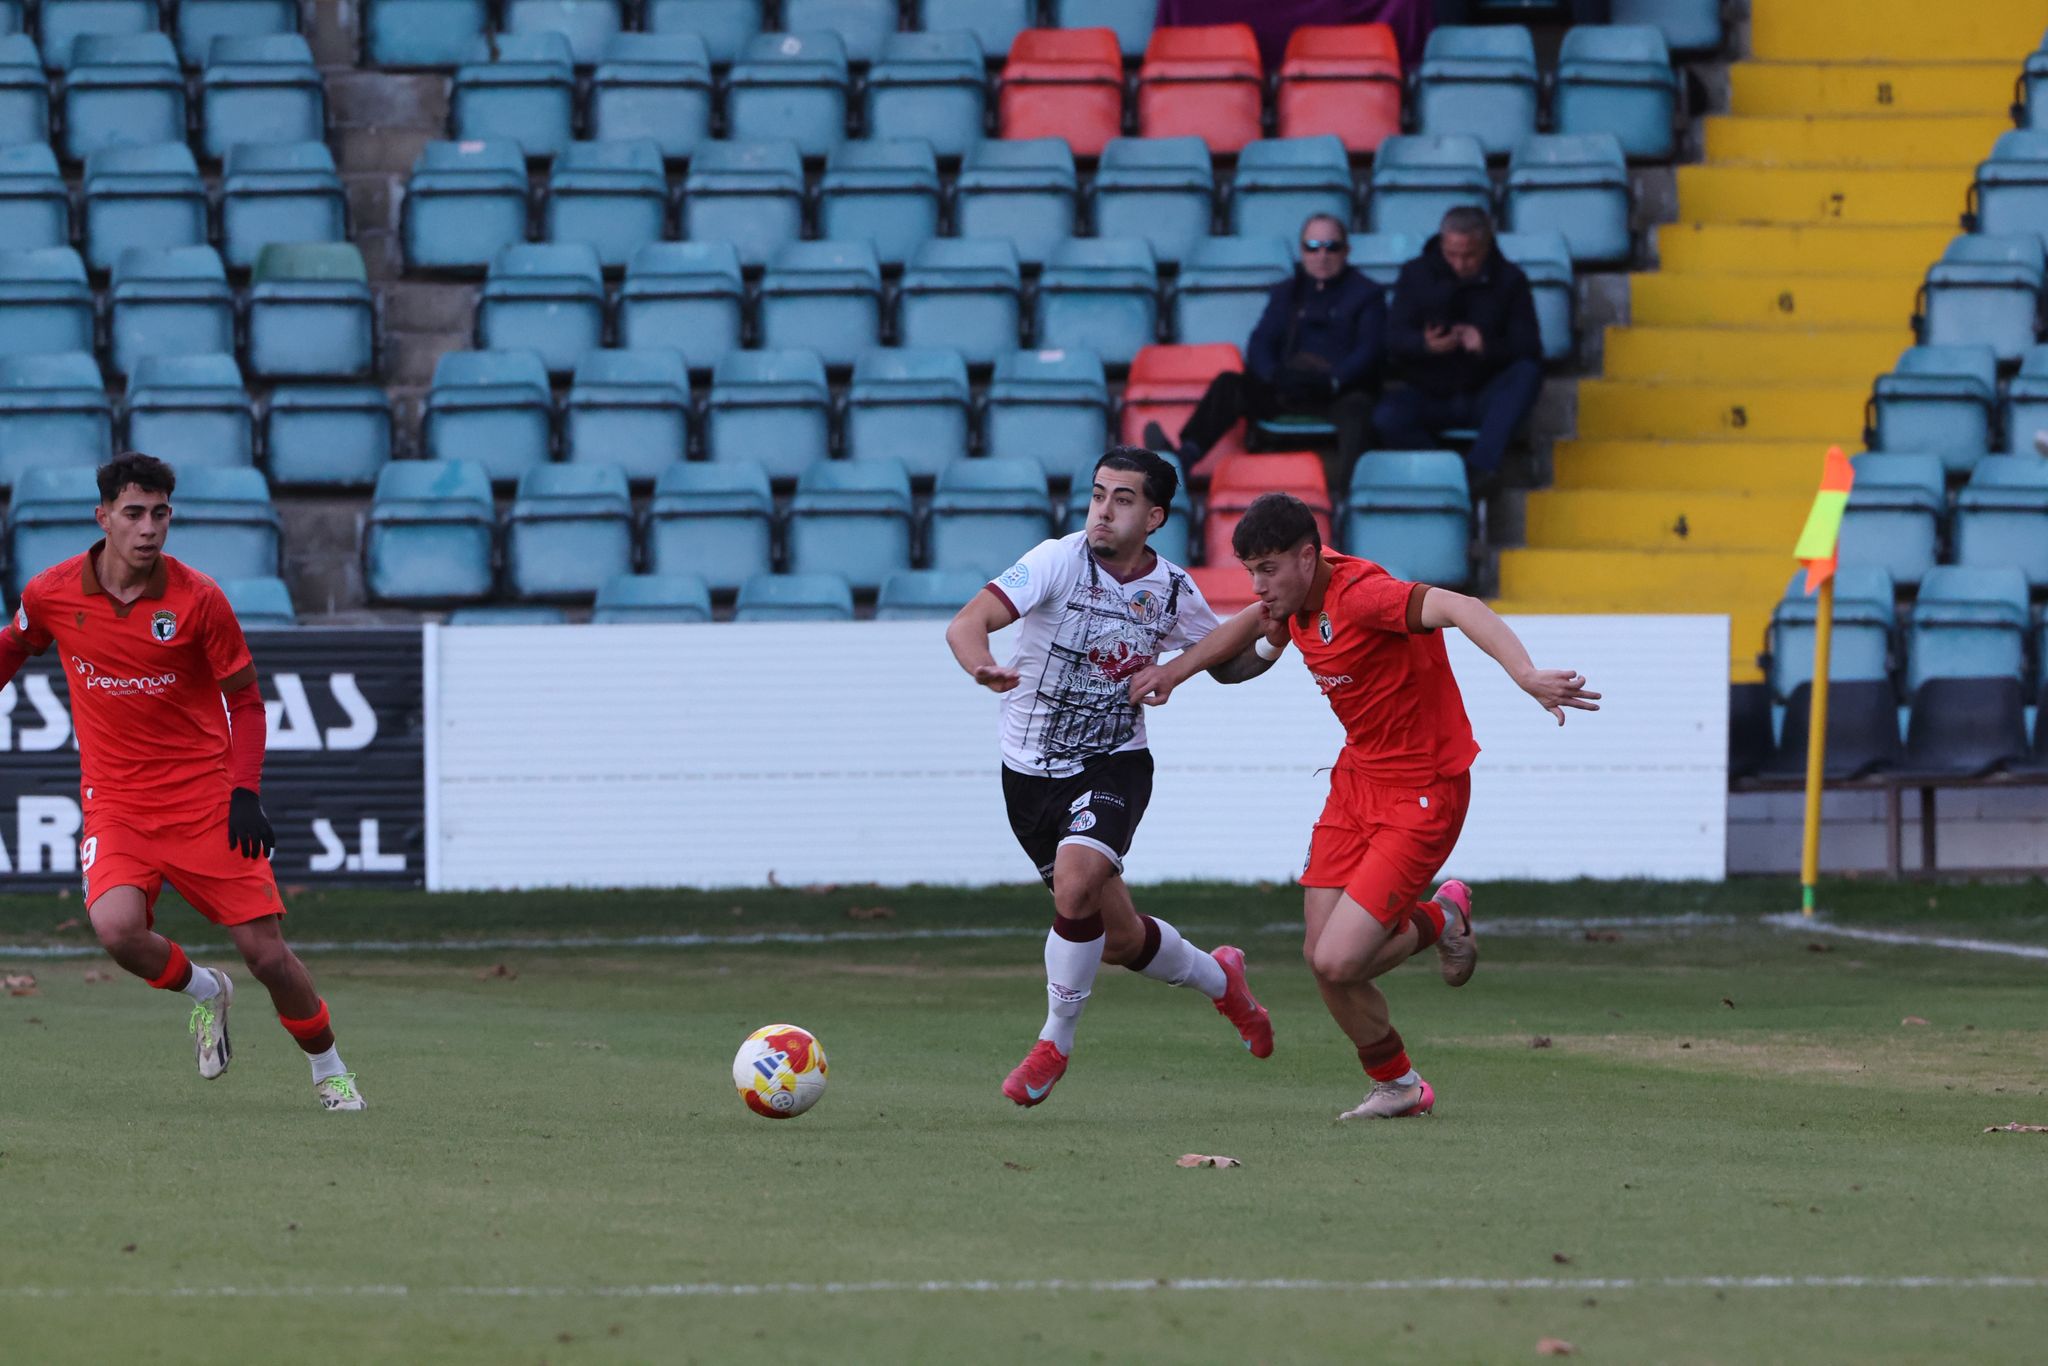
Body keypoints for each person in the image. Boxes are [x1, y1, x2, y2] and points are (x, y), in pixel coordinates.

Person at [1124, 493, 1599, 1120]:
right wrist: (1176, 671)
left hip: (1424, 791)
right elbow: (1244, 625)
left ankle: (1443, 917)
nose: (1259, 587)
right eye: (1251, 572)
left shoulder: (1365, 596)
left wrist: (1526, 674)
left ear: (1306, 556)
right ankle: (1398, 1083)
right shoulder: (1293, 594)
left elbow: (1460, 606)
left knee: (1338, 959)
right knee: (1322, 960)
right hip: (1356, 783)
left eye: (1268, 569)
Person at [0, 453, 366, 1112]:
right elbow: (13, 646)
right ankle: (204, 992)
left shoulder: (199, 599)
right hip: (117, 805)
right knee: (116, 930)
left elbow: (247, 703)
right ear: (103, 516)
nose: (148, 528)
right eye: (134, 513)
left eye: (160, 514)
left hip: (204, 803)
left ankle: (329, 1069)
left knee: (268, 957)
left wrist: (244, 790)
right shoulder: (51, 593)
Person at [944, 447, 1276, 1107]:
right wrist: (982, 665)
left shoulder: (1174, 590)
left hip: (1115, 761)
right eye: (1098, 495)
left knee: (1075, 885)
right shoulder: (1054, 561)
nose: (1103, 510)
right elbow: (966, 623)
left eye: (1122, 499)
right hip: (1030, 775)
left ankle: (1054, 1043)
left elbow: (1227, 665)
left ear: (1154, 516)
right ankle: (1223, 981)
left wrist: (1273, 641)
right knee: (1119, 939)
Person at [1146, 213, 1384, 493]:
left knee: (1359, 408)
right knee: (1230, 384)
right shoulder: (1287, 292)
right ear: (1302, 251)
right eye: (1313, 247)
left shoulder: (1367, 293)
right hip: (1289, 387)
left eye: (1331, 247)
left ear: (1346, 250)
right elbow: (1260, 342)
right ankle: (1180, 462)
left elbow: (1370, 350)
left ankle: (1349, 499)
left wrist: (1334, 380)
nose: (1322, 255)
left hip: (1338, 392)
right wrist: (1274, 376)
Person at [1374, 206, 1544, 497]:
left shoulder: (1510, 280)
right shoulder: (1415, 274)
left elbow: (1529, 346)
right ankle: (1448, 475)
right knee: (1387, 415)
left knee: (1527, 374)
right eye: (1452, 254)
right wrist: (1424, 344)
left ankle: (1480, 468)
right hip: (1429, 393)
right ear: (1442, 244)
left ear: (1486, 246)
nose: (1460, 264)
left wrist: (1486, 345)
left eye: (1469, 256)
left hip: (1484, 393)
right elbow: (1392, 339)